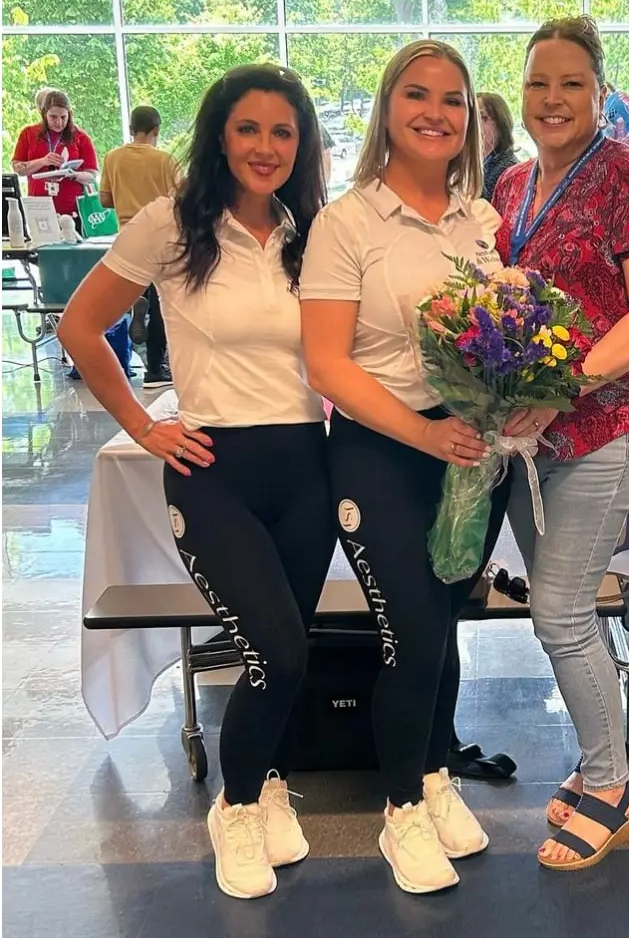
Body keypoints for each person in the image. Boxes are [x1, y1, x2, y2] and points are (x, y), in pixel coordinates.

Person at [57, 64, 334, 901]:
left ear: (302, 145)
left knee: (287, 646)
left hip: (306, 469)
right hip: (213, 471)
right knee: (277, 652)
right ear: (219, 134)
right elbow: (80, 326)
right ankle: (237, 804)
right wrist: (144, 426)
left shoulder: (310, 231)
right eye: (248, 128)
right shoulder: (170, 225)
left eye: (283, 132)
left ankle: (273, 779)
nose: (265, 146)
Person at [299, 40, 512, 896]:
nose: (436, 112)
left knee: (445, 623)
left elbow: (502, 334)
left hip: (468, 449)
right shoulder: (346, 223)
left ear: (470, 117)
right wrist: (422, 437)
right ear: (388, 108)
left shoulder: (482, 220)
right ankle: (399, 811)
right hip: (382, 449)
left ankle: (432, 778)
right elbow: (328, 364)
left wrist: (508, 399)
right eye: (417, 96)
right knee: (411, 635)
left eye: (453, 99)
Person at [492, 16, 629, 871]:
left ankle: (611, 788)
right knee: (561, 609)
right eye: (539, 82)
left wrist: (561, 387)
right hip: (531, 437)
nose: (553, 98)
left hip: (605, 424)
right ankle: (597, 756)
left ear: (601, 92)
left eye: (571, 82)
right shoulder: (512, 187)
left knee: (559, 610)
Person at [99, 105, 182, 389]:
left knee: (137, 285)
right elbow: (183, 198)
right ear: (156, 131)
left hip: (127, 236)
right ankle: (156, 369)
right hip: (161, 237)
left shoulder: (112, 158)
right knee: (162, 304)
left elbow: (105, 200)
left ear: (131, 129)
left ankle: (135, 302)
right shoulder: (165, 159)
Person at [10, 88, 100, 222]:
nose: (59, 122)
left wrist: (73, 175)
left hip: (73, 211)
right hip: (39, 209)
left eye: (63, 117)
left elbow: (92, 176)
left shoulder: (81, 137)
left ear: (69, 114)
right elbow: (18, 168)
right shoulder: (28, 134)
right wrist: (43, 161)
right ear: (44, 114)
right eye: (53, 117)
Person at [477, 92, 518, 202]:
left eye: (481, 117)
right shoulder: (460, 165)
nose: (473, 125)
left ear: (501, 123)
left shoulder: (510, 172)